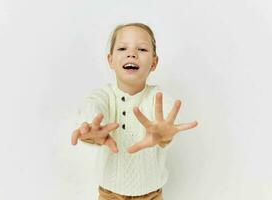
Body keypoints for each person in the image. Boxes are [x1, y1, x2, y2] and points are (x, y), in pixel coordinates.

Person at [71, 22, 198, 200]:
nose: (131, 53)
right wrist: (91, 125)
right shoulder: (106, 95)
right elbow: (93, 104)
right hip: (110, 195)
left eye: (142, 49)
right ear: (110, 60)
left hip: (151, 195)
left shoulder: (157, 97)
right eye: (122, 48)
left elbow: (169, 114)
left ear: (154, 62)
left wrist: (165, 132)